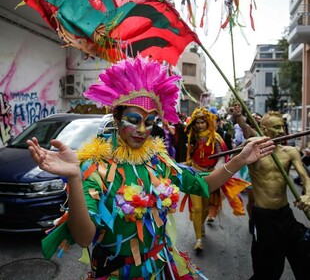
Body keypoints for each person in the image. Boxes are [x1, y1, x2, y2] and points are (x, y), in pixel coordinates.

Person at [27, 56, 275, 279]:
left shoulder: (157, 160)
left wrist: (241, 159)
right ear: (116, 118)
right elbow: (84, 238)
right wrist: (74, 178)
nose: (142, 130)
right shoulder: (97, 166)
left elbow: (202, 185)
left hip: (160, 269)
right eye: (133, 121)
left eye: (150, 122)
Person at [246, 111, 310, 280]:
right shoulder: (253, 150)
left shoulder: (291, 151)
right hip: (263, 218)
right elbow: (247, 136)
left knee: (304, 259)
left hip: (285, 215)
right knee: (267, 271)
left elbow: (305, 177)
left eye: (283, 126)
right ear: (264, 130)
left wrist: (308, 195)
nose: (281, 131)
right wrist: (242, 122)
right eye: (276, 127)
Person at [184, 107, 251, 252]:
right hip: (195, 176)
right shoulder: (192, 137)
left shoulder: (216, 138)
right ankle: (198, 239)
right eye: (197, 123)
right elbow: (189, 156)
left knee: (206, 208)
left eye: (202, 122)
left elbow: (222, 157)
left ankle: (200, 225)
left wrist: (217, 170)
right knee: (197, 208)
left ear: (207, 122)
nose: (200, 125)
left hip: (210, 177)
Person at [232, 104, 262, 234]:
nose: (257, 118)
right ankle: (252, 220)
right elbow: (244, 127)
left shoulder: (270, 133)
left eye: (259, 117)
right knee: (253, 201)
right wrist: (239, 115)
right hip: (253, 171)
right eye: (254, 117)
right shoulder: (252, 133)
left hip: (269, 171)